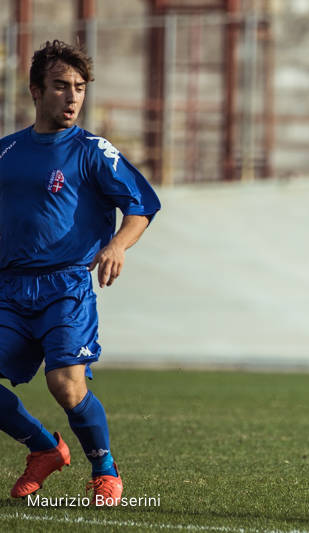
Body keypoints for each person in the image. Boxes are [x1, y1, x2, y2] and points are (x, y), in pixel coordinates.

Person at [0, 40, 161, 505]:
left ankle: (104, 470)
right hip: (9, 288)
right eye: (60, 87)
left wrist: (116, 245)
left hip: (65, 285)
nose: (72, 97)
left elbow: (142, 206)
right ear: (35, 91)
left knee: (65, 384)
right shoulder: (8, 152)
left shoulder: (93, 150)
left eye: (79, 88)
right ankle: (43, 448)